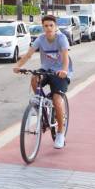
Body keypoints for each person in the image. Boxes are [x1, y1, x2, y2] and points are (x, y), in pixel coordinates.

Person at [13, 14, 73, 149]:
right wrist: (18, 66)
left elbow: (65, 57)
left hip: (60, 72)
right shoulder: (40, 39)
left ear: (55, 26)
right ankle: (40, 100)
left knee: (57, 99)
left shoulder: (61, 39)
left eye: (51, 25)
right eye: (46, 26)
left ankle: (60, 134)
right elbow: (28, 54)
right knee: (34, 77)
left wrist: (64, 70)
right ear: (43, 27)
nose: (48, 28)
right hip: (46, 70)